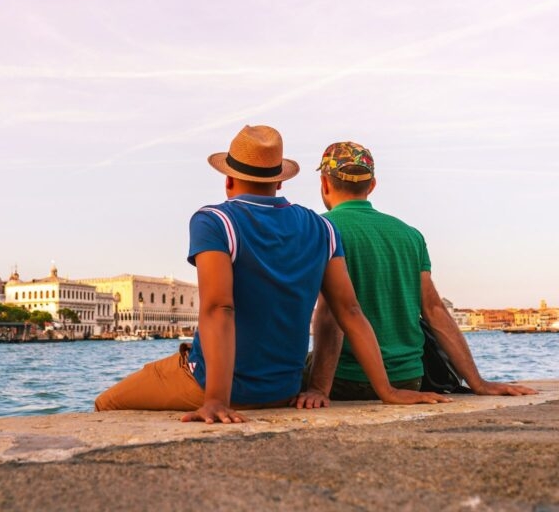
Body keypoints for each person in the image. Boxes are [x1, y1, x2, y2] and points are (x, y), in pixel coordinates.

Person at [95, 125, 450, 422]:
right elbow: (350, 312)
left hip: (215, 386)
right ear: (279, 182)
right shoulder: (320, 228)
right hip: (284, 389)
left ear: (229, 179)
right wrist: (386, 390)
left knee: (105, 405)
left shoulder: (214, 221)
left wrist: (216, 399)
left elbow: (220, 308)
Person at [297, 141, 537, 408]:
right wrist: (478, 383)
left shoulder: (320, 229)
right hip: (409, 378)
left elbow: (332, 312)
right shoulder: (410, 235)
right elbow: (434, 310)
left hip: (348, 379)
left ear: (324, 183)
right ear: (372, 185)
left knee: (289, 370)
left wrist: (319, 388)